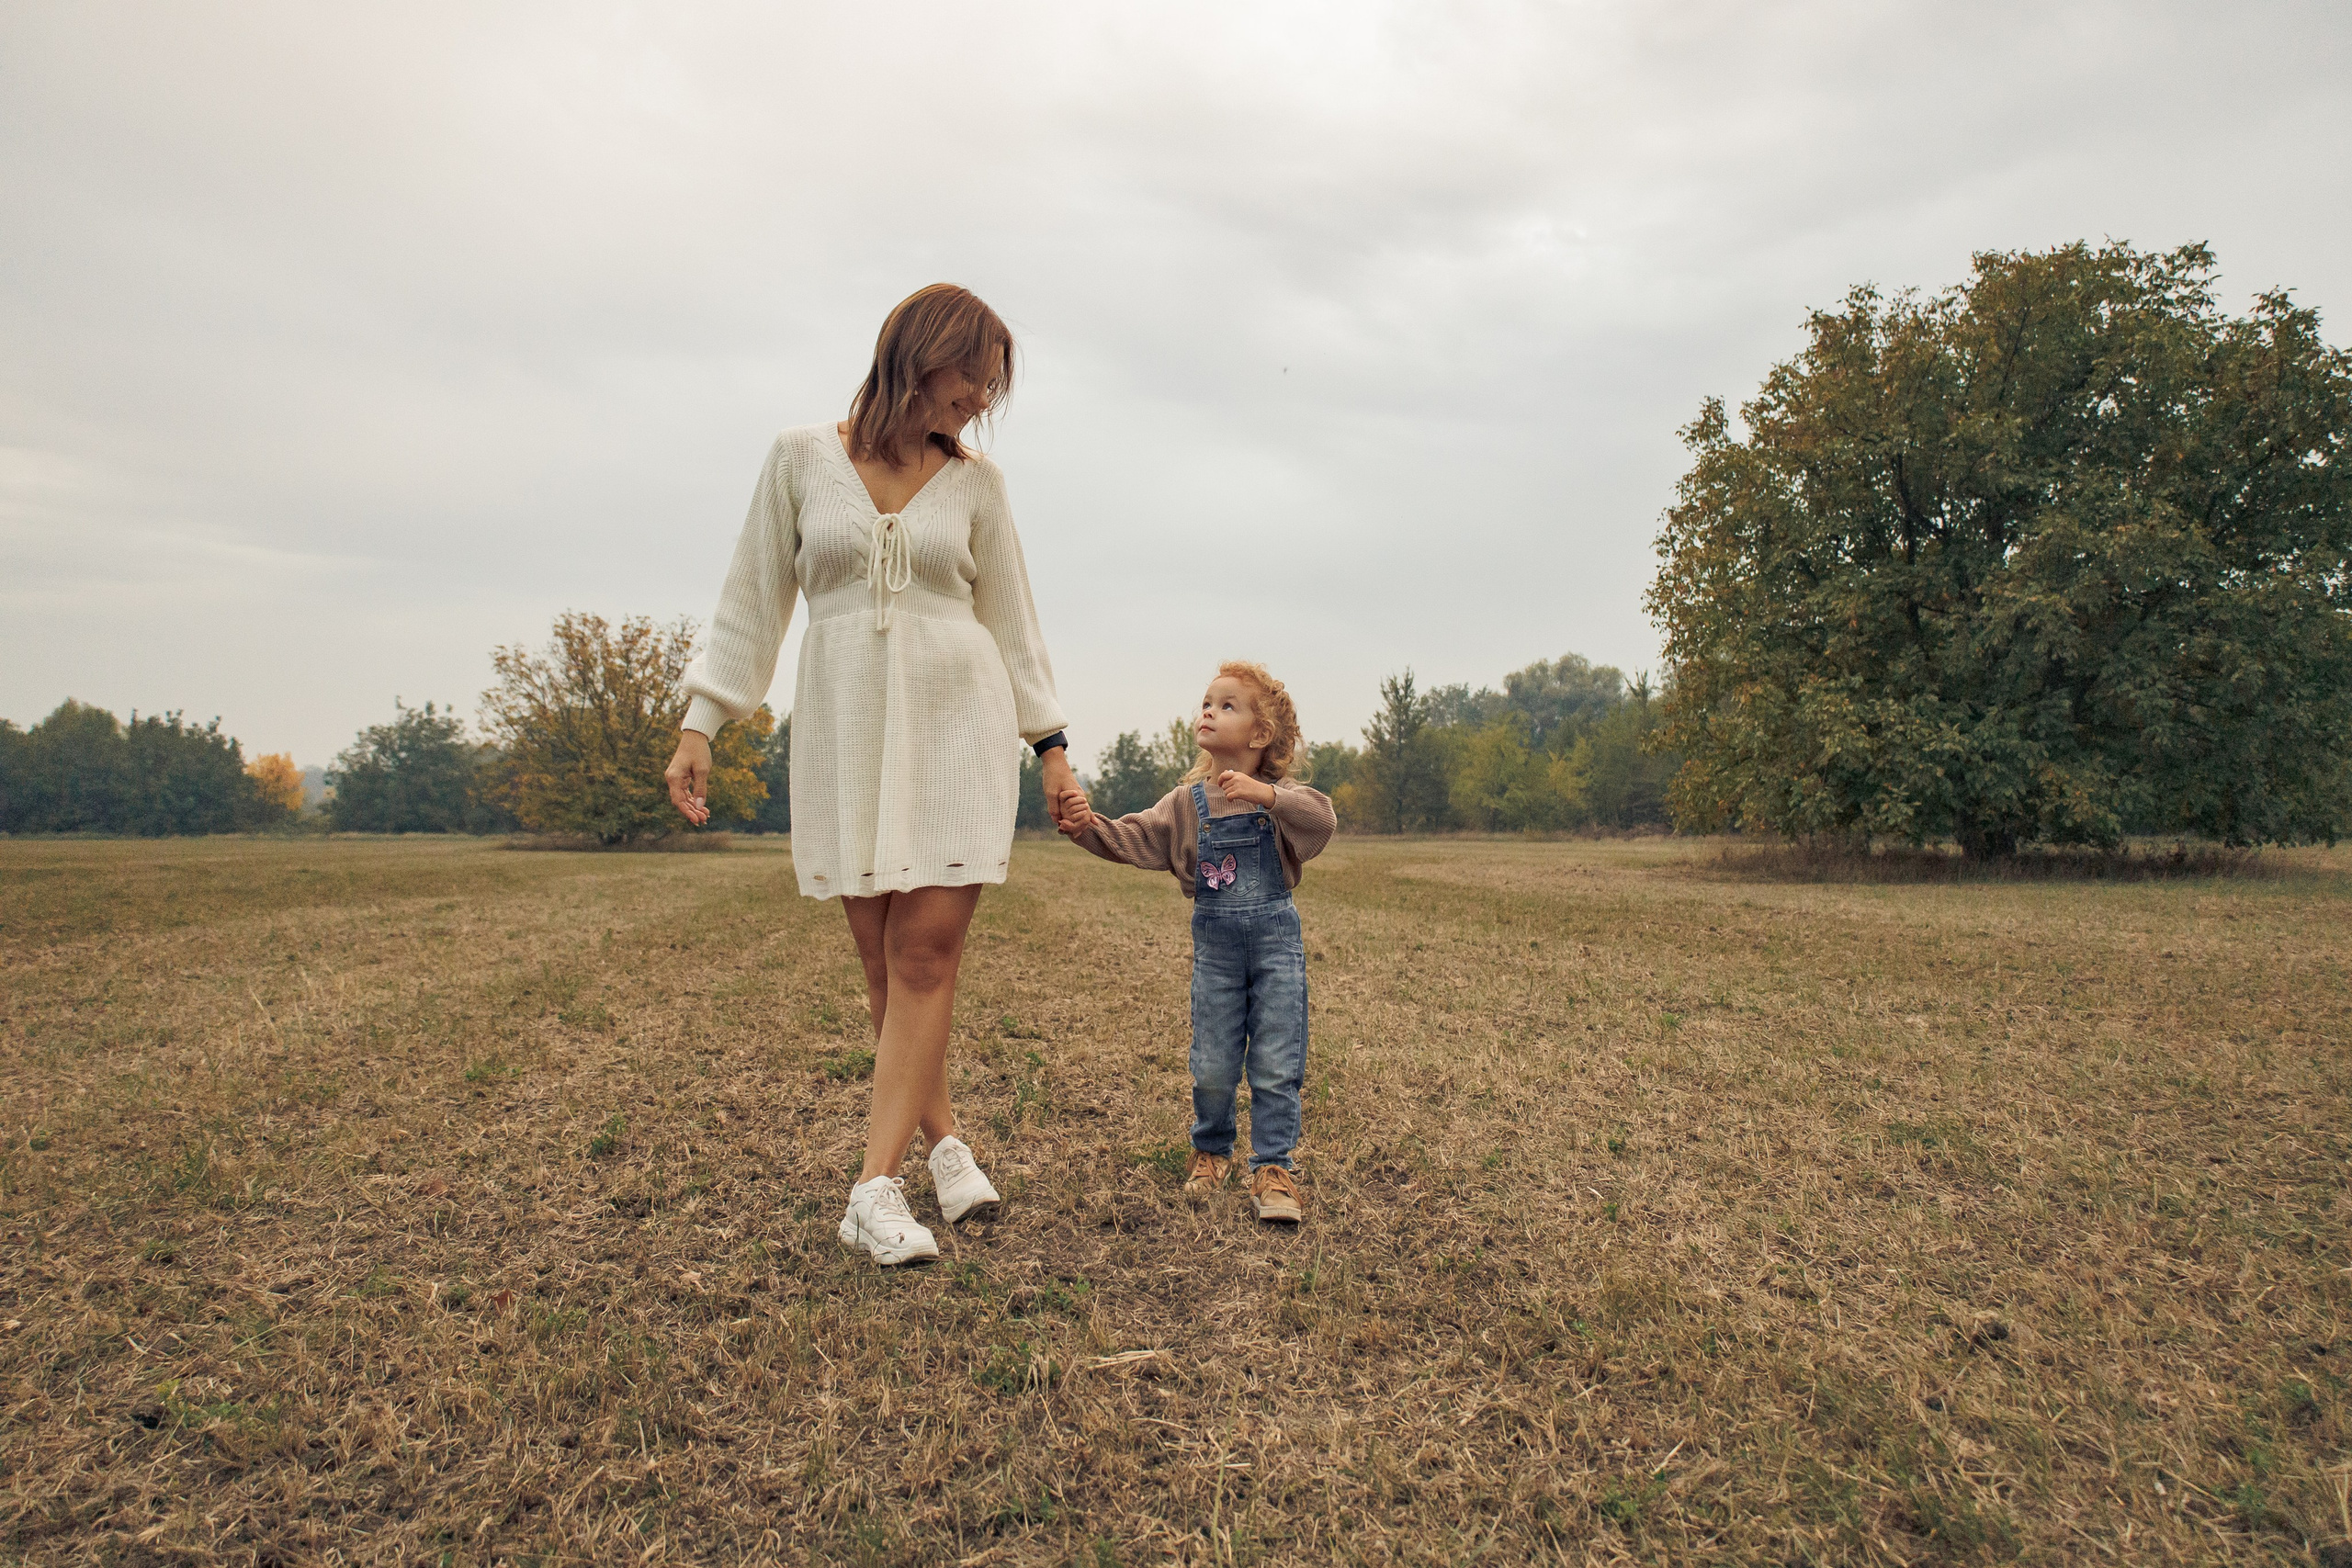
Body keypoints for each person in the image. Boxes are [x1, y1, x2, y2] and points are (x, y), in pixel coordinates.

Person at [663, 284, 1079, 1266]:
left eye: (993, 385)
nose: (982, 399)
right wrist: (701, 721)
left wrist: (1052, 747)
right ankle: (944, 1145)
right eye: (974, 376)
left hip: (957, 726)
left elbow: (1013, 622)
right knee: (884, 963)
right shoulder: (800, 458)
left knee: (927, 953)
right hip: (849, 731)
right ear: (921, 355)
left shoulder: (977, 486)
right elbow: (751, 599)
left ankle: (872, 1187)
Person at [1055, 662, 1335, 1224]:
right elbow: (1135, 836)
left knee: (1277, 1062)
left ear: (1260, 734)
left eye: (1227, 705)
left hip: (1276, 945)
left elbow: (1321, 822)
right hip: (1217, 952)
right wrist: (1087, 827)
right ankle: (1211, 1151)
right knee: (1212, 1063)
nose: (1208, 711)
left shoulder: (1282, 797)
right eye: (1207, 702)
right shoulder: (1187, 804)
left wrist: (1266, 796)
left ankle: (1273, 1168)